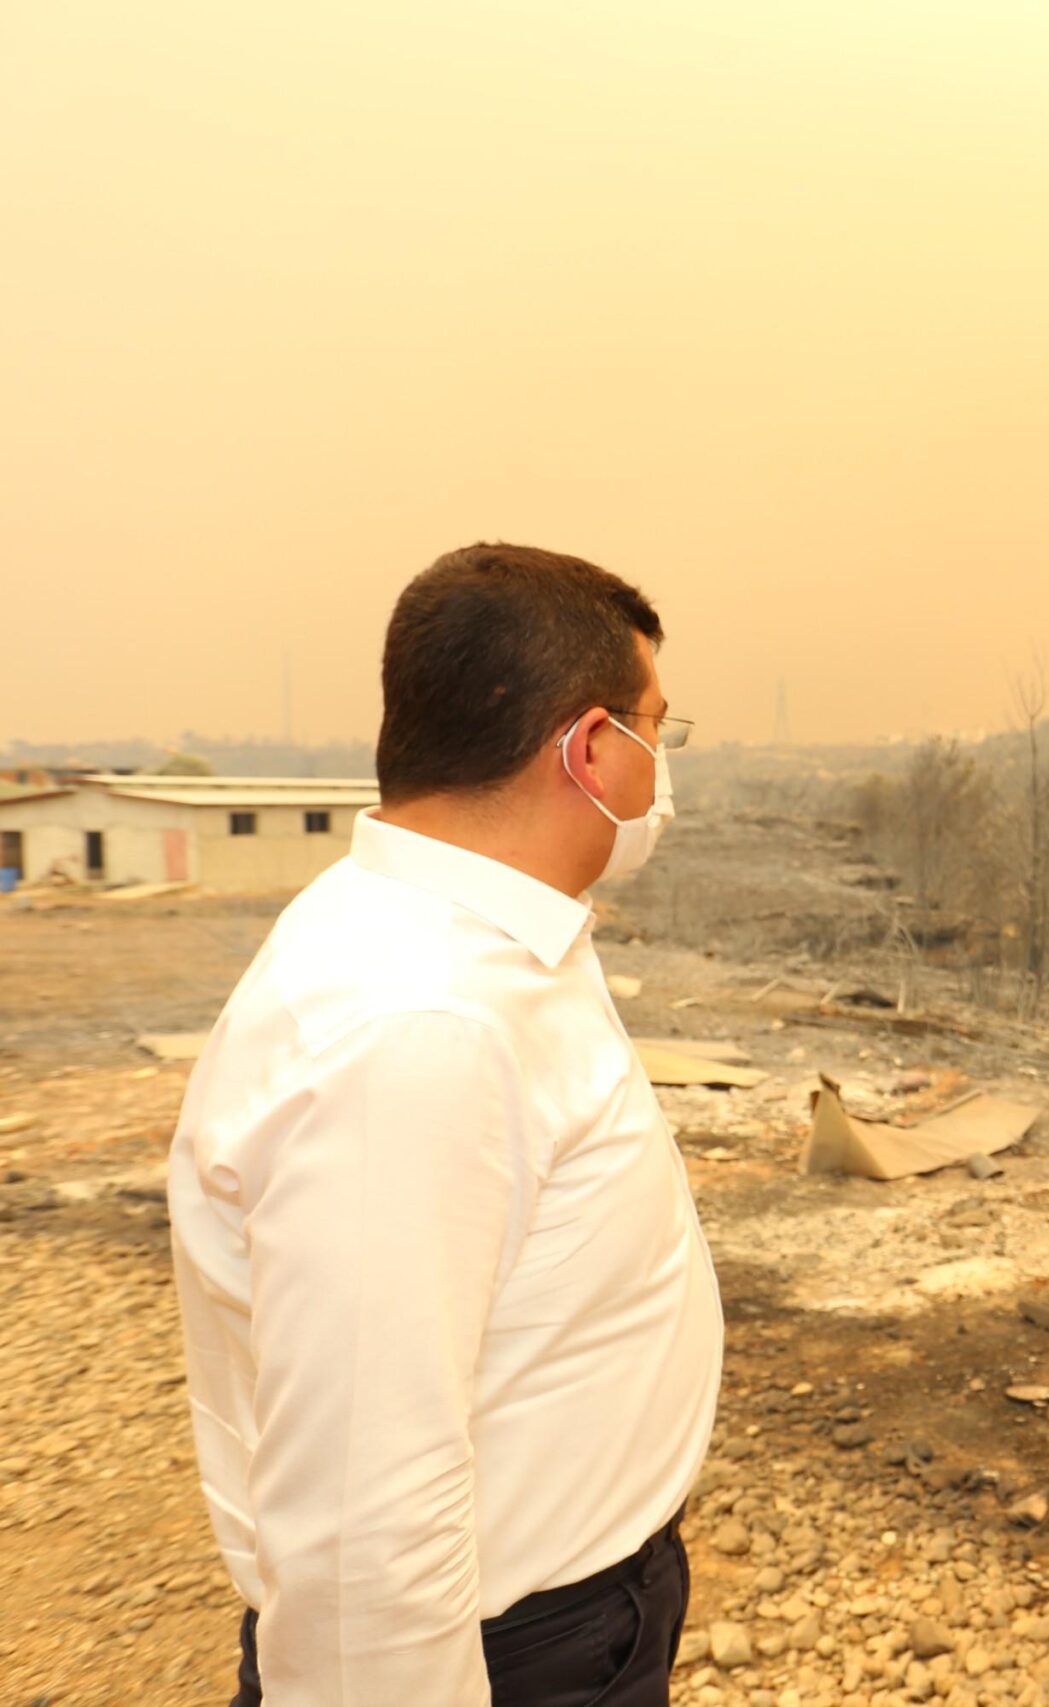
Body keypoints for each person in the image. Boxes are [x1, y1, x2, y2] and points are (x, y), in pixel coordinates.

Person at [168, 542, 725, 1706]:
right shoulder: (415, 1025)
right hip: (520, 1657)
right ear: (587, 750)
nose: (660, 773)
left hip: (575, 1620)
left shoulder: (468, 940)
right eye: (654, 732)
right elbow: (363, 1522)